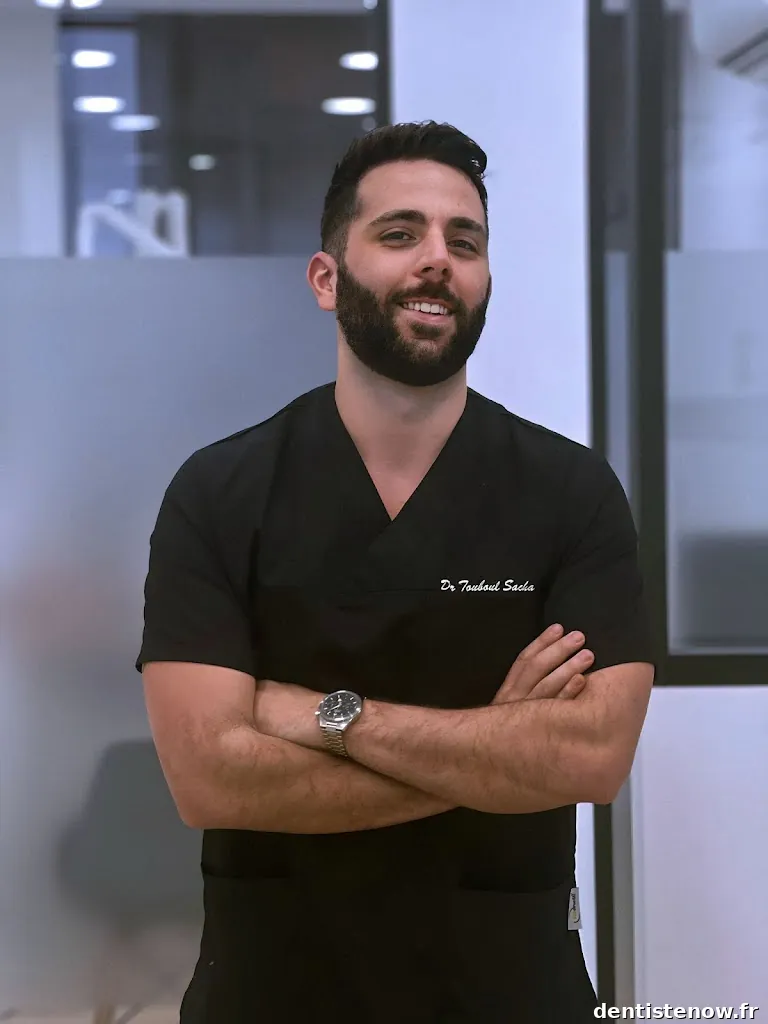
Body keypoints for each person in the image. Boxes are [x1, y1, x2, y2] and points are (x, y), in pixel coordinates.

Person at [136, 121, 655, 1024]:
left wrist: (318, 716)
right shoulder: (220, 492)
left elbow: (591, 758)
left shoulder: (571, 493)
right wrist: (494, 752)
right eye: (399, 233)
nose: (437, 260)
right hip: (276, 987)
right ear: (327, 278)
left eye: (465, 242)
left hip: (506, 986)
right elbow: (208, 777)